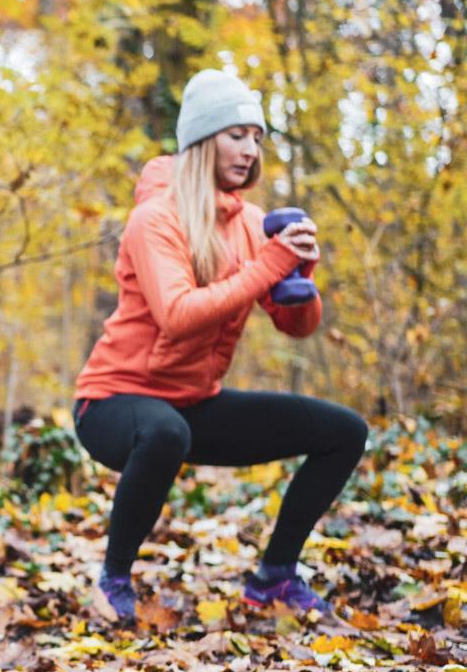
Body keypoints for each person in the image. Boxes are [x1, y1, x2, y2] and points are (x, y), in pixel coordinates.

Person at [73, 69, 367, 625]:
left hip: (194, 402)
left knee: (344, 431)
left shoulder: (252, 224)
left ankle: (275, 577)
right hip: (112, 402)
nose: (249, 149)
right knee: (164, 431)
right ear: (202, 139)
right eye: (236, 134)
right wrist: (269, 266)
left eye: (256, 137)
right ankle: (111, 581)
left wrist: (298, 278)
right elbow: (178, 315)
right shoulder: (154, 218)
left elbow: (296, 327)